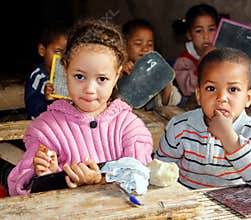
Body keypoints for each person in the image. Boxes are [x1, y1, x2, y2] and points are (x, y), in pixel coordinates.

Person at [8, 19, 153, 195]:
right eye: (79, 76)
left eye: (101, 79)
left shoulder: (129, 128)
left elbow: (139, 178)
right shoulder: (47, 129)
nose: (89, 90)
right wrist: (49, 178)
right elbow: (18, 187)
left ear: (116, 76)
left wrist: (99, 180)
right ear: (65, 69)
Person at [155, 48, 251, 189]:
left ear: (248, 98)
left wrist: (229, 138)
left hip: (235, 206)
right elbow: (160, 170)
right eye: (211, 89)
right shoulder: (180, 127)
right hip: (188, 204)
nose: (221, 98)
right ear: (199, 96)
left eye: (233, 89)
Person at [173, 3, 251, 108]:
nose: (206, 36)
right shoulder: (184, 62)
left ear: (219, 31)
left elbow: (233, 85)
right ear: (189, 35)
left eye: (211, 29)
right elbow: (188, 90)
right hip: (194, 107)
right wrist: (204, 62)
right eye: (199, 31)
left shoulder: (225, 58)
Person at [122, 19, 181, 110]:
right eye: (138, 43)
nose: (145, 48)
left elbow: (170, 103)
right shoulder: (117, 68)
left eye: (149, 44)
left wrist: (166, 83)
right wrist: (121, 72)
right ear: (124, 45)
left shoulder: (155, 70)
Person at [24, 22, 69, 119]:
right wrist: (48, 101)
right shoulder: (38, 77)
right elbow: (32, 107)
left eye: (67, 53)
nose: (62, 58)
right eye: (57, 51)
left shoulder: (72, 75)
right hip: (40, 126)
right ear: (42, 50)